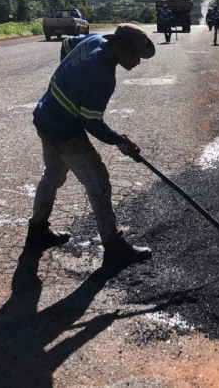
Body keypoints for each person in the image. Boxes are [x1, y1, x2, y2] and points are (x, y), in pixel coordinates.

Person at [28, 23, 156, 265]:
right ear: (118, 47)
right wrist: (120, 141)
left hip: (45, 114)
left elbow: (67, 44)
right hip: (62, 129)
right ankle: (113, 244)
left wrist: (69, 79)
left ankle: (37, 231)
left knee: (54, 174)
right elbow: (92, 121)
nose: (138, 62)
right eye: (135, 55)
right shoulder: (102, 75)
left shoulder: (93, 40)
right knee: (98, 182)